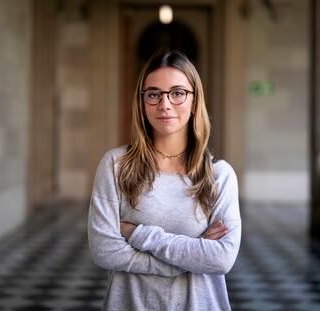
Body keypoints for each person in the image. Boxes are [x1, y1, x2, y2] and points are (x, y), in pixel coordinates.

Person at [88, 49, 241, 311]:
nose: (165, 104)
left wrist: (137, 233)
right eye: (154, 93)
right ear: (142, 101)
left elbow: (221, 259)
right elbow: (104, 250)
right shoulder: (116, 165)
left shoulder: (219, 175)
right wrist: (190, 254)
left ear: (194, 101)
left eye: (178, 93)